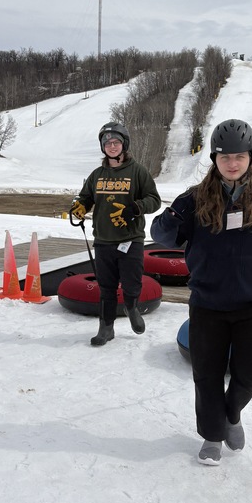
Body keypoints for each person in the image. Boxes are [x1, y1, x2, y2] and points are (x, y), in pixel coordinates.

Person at [151, 118, 252, 466]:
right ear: (214, 158)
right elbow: (161, 236)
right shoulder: (195, 198)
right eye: (224, 156)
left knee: (251, 374)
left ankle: (231, 415)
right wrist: (172, 215)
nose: (233, 163)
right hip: (208, 302)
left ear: (250, 156)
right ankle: (212, 436)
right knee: (207, 375)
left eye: (240, 156)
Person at [70, 122, 161, 347]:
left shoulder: (137, 171)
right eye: (107, 143)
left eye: (116, 142)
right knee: (106, 287)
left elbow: (155, 200)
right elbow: (85, 198)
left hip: (131, 239)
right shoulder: (97, 175)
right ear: (103, 147)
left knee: (131, 284)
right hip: (103, 240)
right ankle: (106, 328)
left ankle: (131, 308)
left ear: (124, 144)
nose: (112, 146)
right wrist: (80, 207)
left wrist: (138, 206)